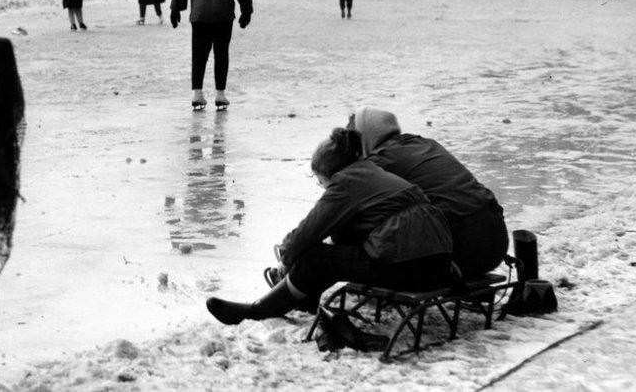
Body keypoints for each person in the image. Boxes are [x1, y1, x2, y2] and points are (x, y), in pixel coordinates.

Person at [205, 127, 454, 325]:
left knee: (317, 258)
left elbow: (307, 233)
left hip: (411, 269)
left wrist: (286, 256)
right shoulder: (373, 173)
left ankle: (257, 311)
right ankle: (302, 299)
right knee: (334, 249)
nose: (321, 186)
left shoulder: (347, 183)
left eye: (319, 180)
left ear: (329, 174)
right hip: (440, 267)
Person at [349, 107, 508, 278]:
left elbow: (349, 208)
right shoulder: (427, 144)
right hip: (496, 244)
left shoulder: (380, 162)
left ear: (364, 137)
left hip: (457, 253)